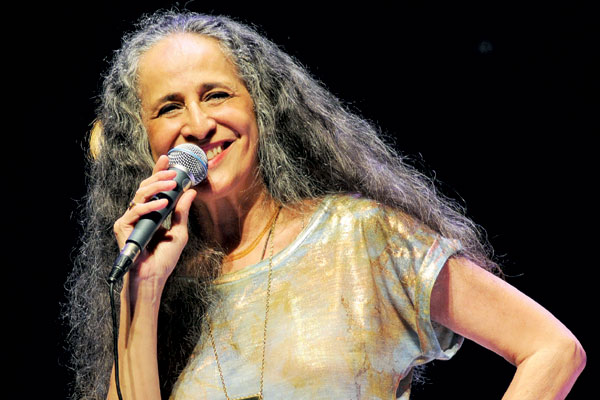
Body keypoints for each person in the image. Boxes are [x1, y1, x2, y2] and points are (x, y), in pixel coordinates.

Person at [64, 10, 586, 400]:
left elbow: (552, 349)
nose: (198, 124)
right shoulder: (161, 291)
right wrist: (144, 287)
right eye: (169, 107)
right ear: (142, 138)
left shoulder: (360, 238)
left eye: (217, 95)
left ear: (261, 107)